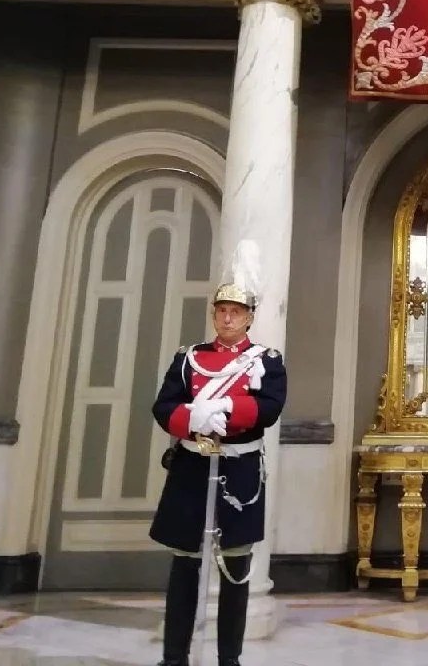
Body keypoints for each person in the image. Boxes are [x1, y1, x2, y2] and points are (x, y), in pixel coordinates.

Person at [150, 250, 286, 666]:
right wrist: (193, 420)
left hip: (239, 470)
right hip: (192, 466)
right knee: (184, 567)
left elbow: (269, 407)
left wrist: (225, 413)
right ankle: (174, 658)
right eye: (221, 311)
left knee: (236, 570)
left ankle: (230, 658)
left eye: (236, 312)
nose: (227, 319)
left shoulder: (267, 362)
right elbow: (163, 406)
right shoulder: (188, 357)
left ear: (250, 316)